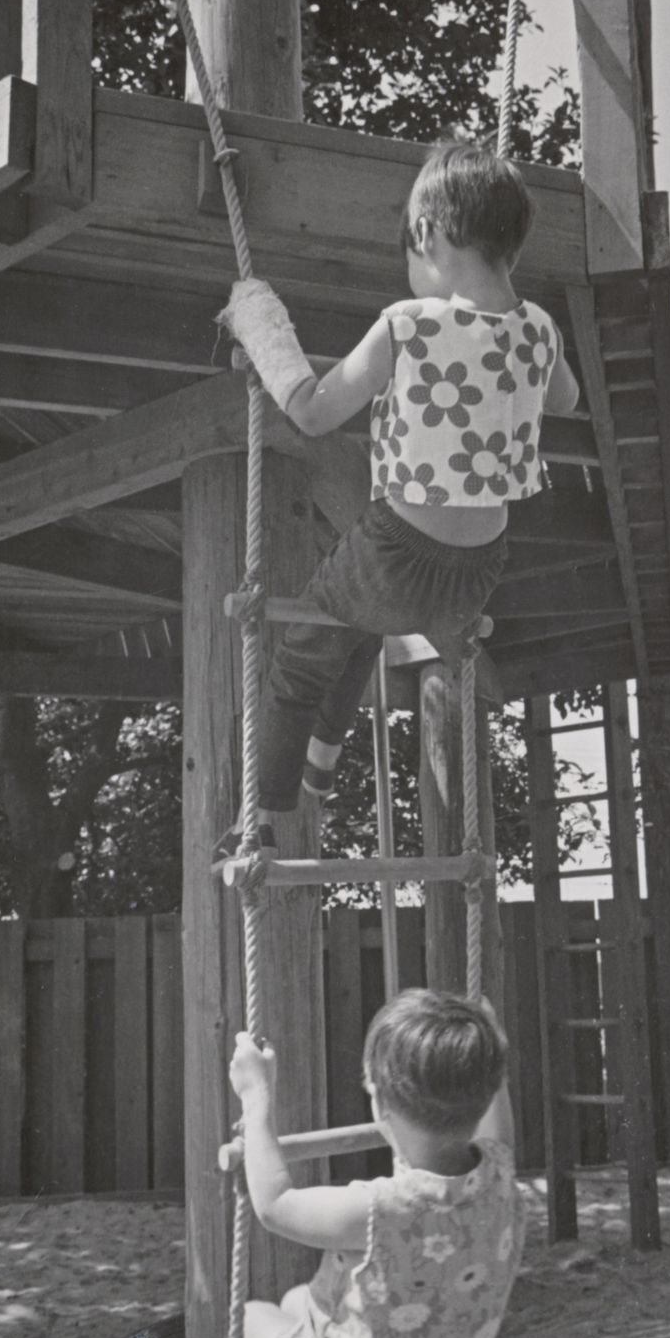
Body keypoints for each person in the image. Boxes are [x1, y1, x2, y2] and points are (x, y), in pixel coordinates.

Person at [218, 139, 580, 836]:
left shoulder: (407, 326)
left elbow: (313, 412)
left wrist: (263, 334)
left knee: (301, 661)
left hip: (396, 553)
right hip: (478, 574)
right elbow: (562, 400)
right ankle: (323, 758)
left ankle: (261, 816)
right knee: (357, 631)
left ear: (425, 233)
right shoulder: (539, 330)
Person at [202, 988, 525, 1338]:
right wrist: (487, 1037)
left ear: (378, 1101)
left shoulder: (381, 1212)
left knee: (253, 1318)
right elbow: (496, 1113)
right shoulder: (501, 1177)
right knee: (297, 1304)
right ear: (486, 1091)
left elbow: (274, 1203)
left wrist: (256, 1096)